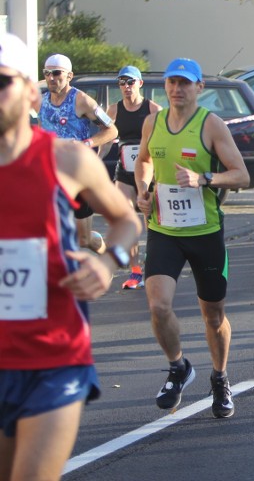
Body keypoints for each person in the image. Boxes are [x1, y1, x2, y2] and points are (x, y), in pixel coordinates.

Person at [0, 32, 141, 481]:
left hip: (52, 358)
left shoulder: (67, 161)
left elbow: (126, 221)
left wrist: (106, 261)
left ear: (28, 91)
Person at [135, 58, 250, 418]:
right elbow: (143, 161)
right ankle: (178, 367)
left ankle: (220, 376)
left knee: (213, 317)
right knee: (158, 305)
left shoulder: (211, 125)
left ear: (199, 88)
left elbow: (241, 175)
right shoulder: (152, 122)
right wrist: (143, 190)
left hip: (204, 232)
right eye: (172, 82)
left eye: (185, 83)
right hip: (164, 230)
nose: (177, 89)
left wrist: (204, 180)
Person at [37, 53, 119, 255]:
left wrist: (87, 143)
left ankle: (108, 256)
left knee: (84, 239)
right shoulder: (41, 102)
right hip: (53, 174)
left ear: (69, 75)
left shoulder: (81, 100)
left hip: (78, 174)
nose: (51, 78)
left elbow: (112, 130)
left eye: (57, 73)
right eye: (47, 73)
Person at [105, 65, 162, 290]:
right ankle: (135, 270)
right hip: (124, 170)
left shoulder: (153, 109)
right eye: (122, 83)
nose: (126, 87)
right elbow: (108, 138)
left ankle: (155, 264)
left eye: (130, 82)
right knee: (125, 218)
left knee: (150, 218)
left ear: (140, 83)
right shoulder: (114, 110)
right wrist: (96, 157)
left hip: (149, 170)